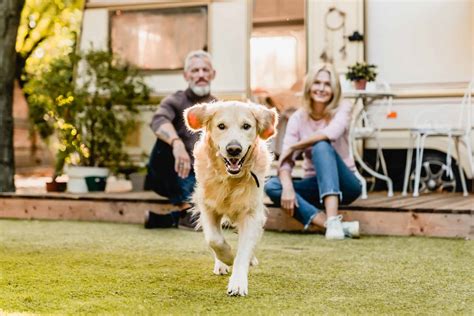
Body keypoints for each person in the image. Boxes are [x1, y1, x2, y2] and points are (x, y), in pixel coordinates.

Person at [264, 63, 362, 240]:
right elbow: (285, 163)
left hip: (346, 185)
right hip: (315, 184)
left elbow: (330, 134)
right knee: (272, 185)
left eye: (327, 84)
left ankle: (332, 219)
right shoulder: (297, 118)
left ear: (334, 89)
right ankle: (334, 226)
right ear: (309, 86)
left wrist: (295, 146)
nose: (321, 88)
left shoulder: (343, 108)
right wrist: (287, 188)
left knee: (321, 146)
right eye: (317, 83)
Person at [144, 50, 216, 229]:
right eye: (195, 70)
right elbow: (158, 121)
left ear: (213, 74)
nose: (201, 75)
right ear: (186, 75)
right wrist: (177, 144)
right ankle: (186, 208)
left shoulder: (218, 107)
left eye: (205, 70)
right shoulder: (175, 100)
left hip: (198, 175)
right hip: (168, 173)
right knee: (165, 141)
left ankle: (179, 217)